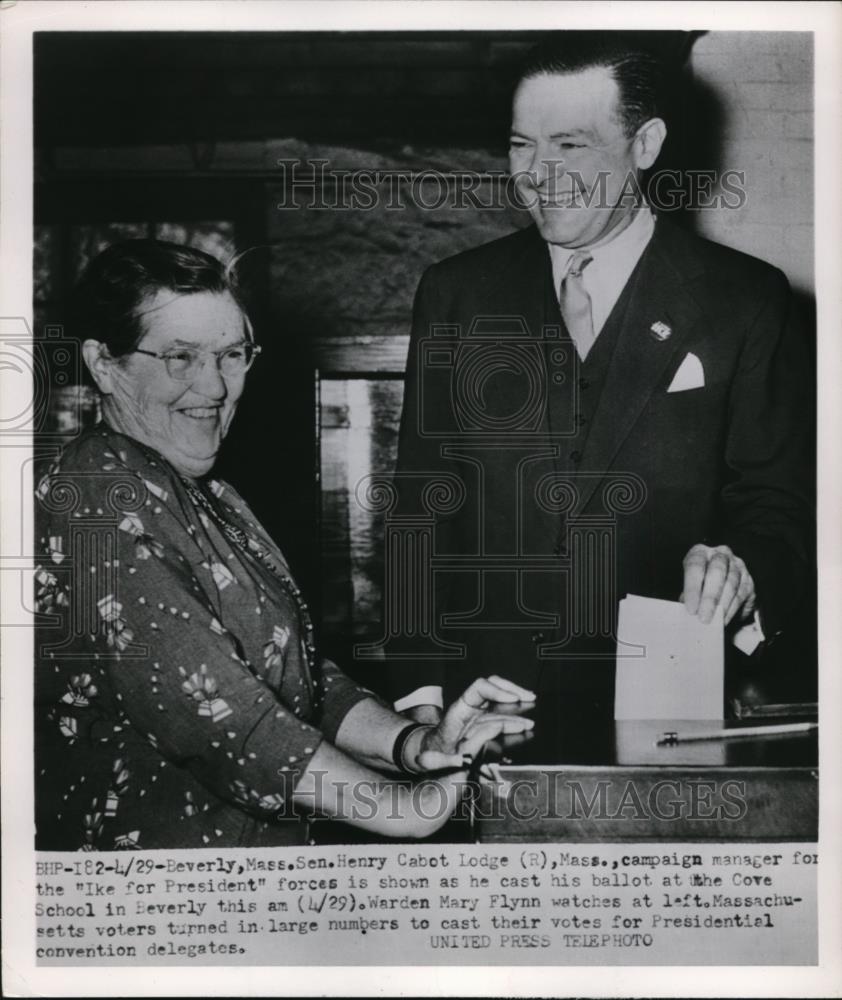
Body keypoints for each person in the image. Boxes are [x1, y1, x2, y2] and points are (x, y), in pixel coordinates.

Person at [33, 239, 534, 850]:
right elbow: (226, 718)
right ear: (103, 363)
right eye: (181, 358)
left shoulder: (204, 491)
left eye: (231, 355)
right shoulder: (99, 492)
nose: (215, 386)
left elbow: (291, 676)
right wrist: (408, 810)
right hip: (157, 902)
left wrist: (416, 746)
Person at [387, 33, 813, 726]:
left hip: (676, 702)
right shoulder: (456, 294)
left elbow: (778, 509)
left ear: (645, 146)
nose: (538, 173)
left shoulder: (748, 300)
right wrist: (420, 695)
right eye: (522, 144)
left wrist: (744, 567)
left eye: (571, 146)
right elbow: (420, 508)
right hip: (484, 707)